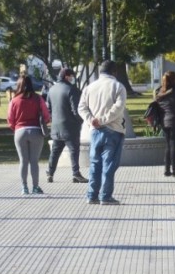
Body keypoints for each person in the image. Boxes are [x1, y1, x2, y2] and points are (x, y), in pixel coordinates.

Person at [78, 60, 127, 205]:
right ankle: (105, 196)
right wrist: (103, 119)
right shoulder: (118, 86)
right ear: (114, 72)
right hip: (113, 130)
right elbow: (118, 108)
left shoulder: (89, 87)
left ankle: (91, 195)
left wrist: (91, 119)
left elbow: (82, 107)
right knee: (109, 164)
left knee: (95, 164)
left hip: (95, 130)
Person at [7, 75, 51, 194]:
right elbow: (46, 116)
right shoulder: (38, 98)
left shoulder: (14, 100)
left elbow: (10, 119)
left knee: (23, 160)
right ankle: (35, 187)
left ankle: (24, 187)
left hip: (20, 131)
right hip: (36, 130)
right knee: (34, 161)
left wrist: (16, 128)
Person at [45, 68, 88, 184]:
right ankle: (76, 174)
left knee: (55, 151)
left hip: (56, 127)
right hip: (70, 127)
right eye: (71, 76)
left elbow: (48, 109)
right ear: (67, 77)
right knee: (74, 150)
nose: (72, 78)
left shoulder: (51, 90)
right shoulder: (72, 90)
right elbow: (76, 110)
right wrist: (81, 121)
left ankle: (50, 172)